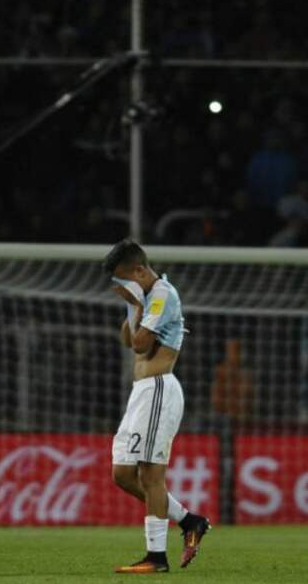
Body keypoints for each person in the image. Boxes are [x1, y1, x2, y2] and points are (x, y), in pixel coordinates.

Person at [104, 239, 210, 573]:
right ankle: (190, 520)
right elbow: (126, 338)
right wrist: (132, 307)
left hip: (160, 388)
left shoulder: (162, 293)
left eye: (124, 279)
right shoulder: (144, 296)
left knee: (151, 474)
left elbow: (139, 345)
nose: (122, 286)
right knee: (122, 474)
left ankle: (156, 558)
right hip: (142, 393)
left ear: (138, 270)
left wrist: (136, 306)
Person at [210, 339, 254, 425]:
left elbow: (249, 398)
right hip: (222, 417)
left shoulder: (246, 373)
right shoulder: (220, 371)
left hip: (242, 418)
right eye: (230, 349)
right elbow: (216, 399)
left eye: (237, 350)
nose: (234, 353)